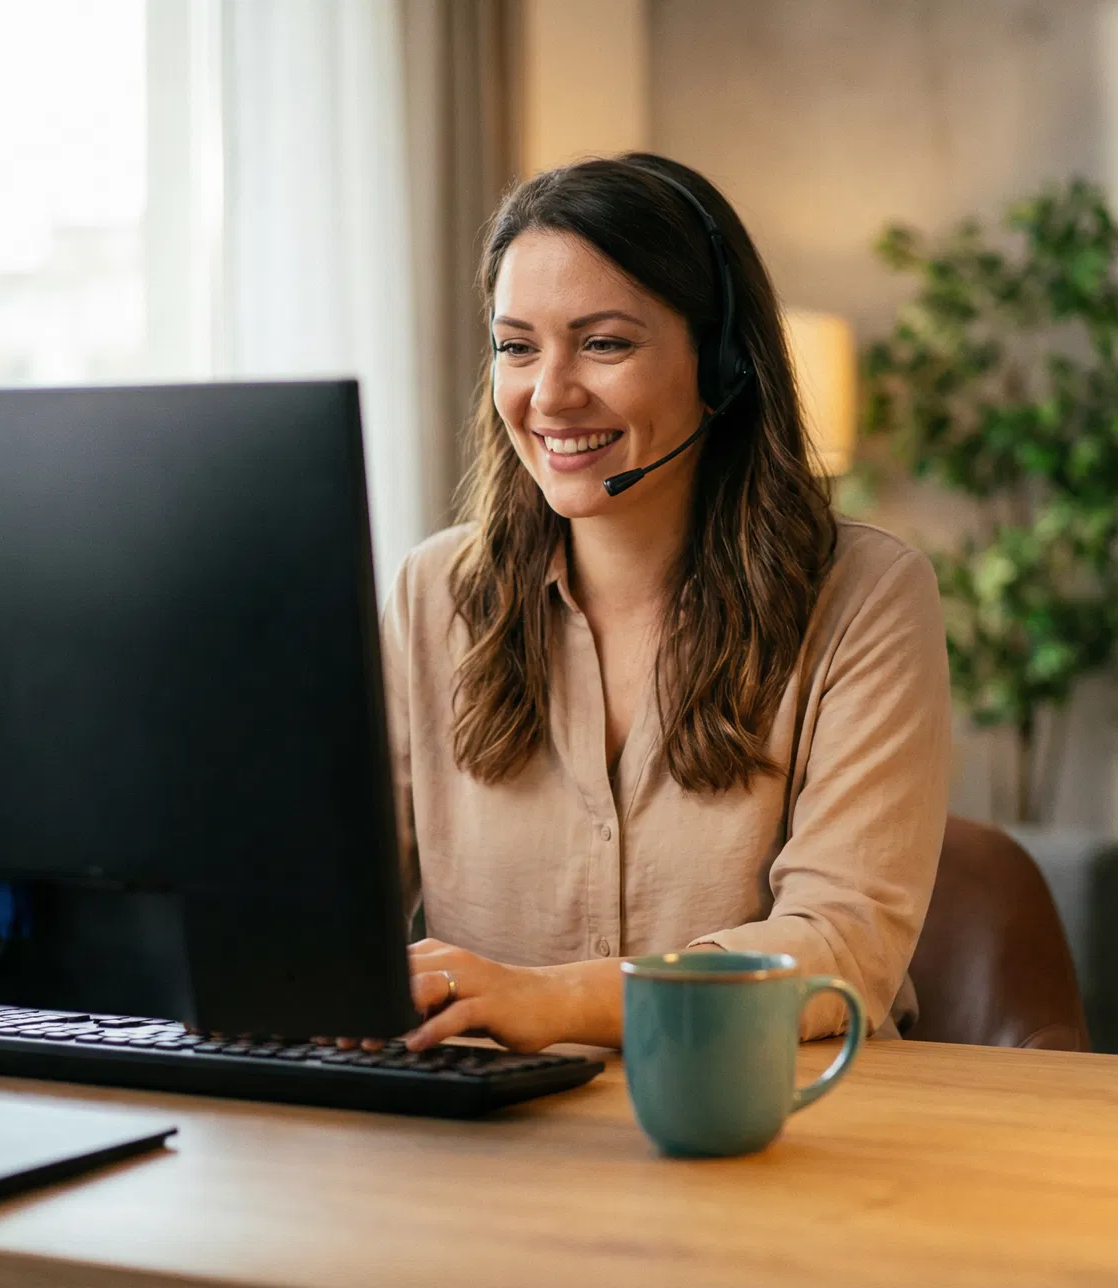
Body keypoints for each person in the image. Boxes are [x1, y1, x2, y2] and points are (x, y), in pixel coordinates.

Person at [384, 153, 950, 1053]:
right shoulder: (432, 596)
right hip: (487, 1148)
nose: (550, 394)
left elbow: (841, 950)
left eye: (604, 343)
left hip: (782, 1127)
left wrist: (548, 1000)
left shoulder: (867, 596)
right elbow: (322, 903)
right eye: (517, 345)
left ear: (720, 362)